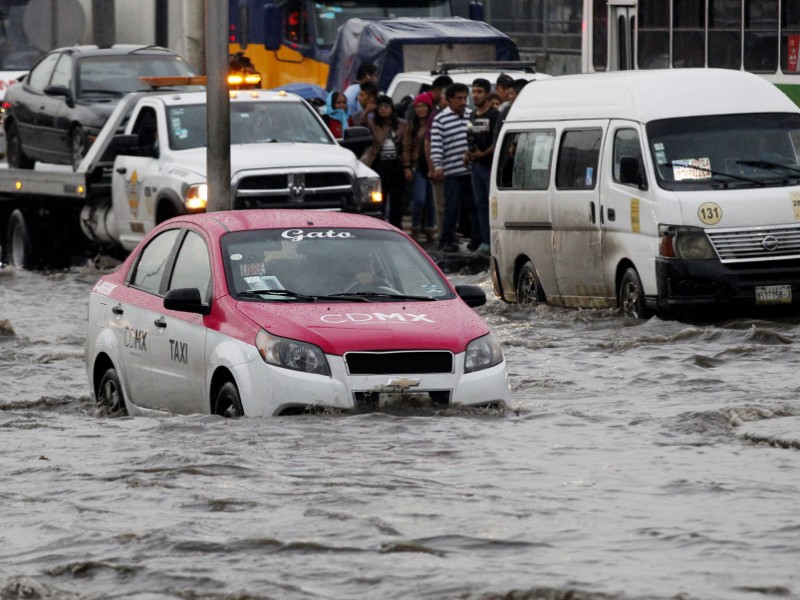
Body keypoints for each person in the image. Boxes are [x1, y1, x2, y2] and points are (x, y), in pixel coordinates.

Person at [430, 83, 479, 253]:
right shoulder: (440, 119)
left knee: (474, 207)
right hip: (452, 171)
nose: (462, 101)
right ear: (450, 100)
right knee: (452, 208)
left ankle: (476, 240)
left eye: (465, 98)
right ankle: (446, 240)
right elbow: (436, 145)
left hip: (471, 171)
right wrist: (438, 166)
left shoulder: (471, 116)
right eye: (459, 98)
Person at [360, 95, 408, 229]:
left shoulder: (402, 124)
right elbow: (362, 125)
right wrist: (367, 111)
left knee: (397, 202)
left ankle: (397, 228)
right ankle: (379, 228)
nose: (383, 110)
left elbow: (406, 147)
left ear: (392, 108)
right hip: (379, 166)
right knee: (379, 201)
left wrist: (407, 166)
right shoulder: (373, 123)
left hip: (396, 167)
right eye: (380, 107)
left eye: (386, 107)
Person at [465, 78, 499, 256]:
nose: (476, 95)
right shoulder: (472, 115)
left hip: (488, 166)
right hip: (475, 166)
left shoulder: (494, 115)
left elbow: (497, 142)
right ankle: (484, 241)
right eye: (474, 91)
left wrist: (483, 154)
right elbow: (470, 136)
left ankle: (493, 241)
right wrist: (467, 153)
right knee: (479, 205)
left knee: (491, 203)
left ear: (487, 93)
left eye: (479, 92)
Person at [402, 92, 436, 243]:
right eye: (418, 106)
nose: (420, 109)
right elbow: (407, 146)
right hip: (418, 167)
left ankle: (430, 229)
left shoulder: (434, 123)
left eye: (423, 106)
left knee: (432, 201)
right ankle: (415, 227)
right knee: (419, 199)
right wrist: (407, 166)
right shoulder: (412, 125)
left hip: (433, 165)